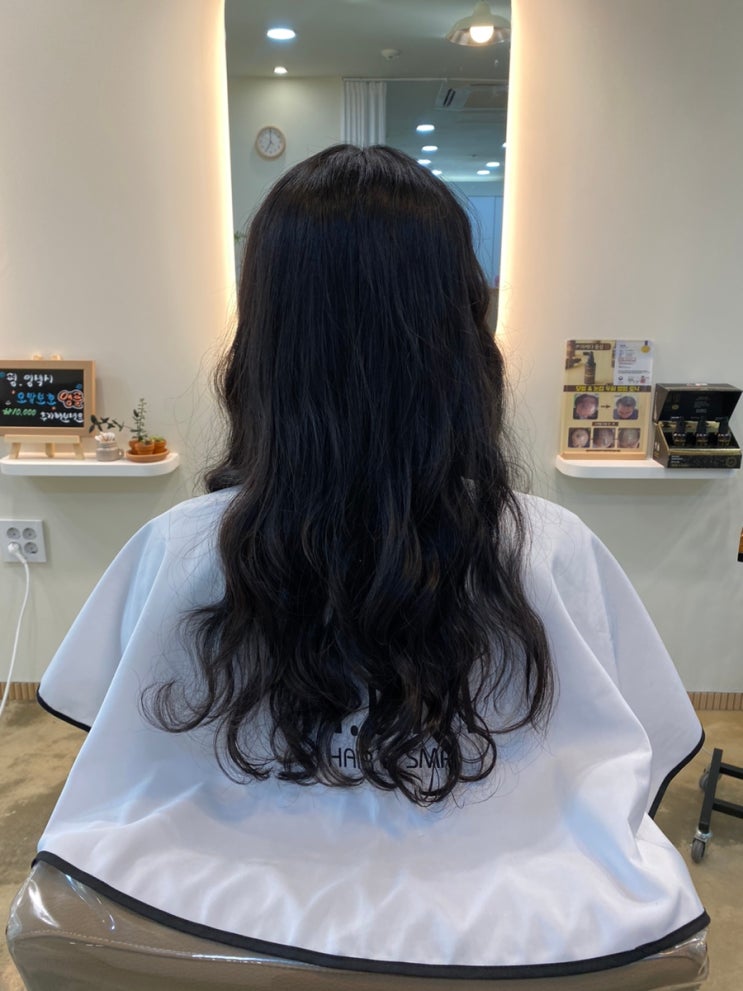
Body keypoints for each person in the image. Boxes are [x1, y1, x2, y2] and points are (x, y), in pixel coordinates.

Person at [28, 146, 707, 980]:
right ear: (463, 340)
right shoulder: (553, 548)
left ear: (263, 343)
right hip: (525, 925)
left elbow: (116, 746)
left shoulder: (178, 546)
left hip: (193, 905)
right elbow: (636, 758)